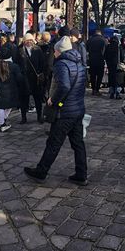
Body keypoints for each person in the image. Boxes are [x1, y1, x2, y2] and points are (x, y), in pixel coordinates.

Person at [24, 36, 88, 185]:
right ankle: (81, 173)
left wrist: (53, 100)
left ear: (59, 51)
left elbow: (64, 86)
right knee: (78, 143)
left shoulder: (61, 64)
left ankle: (41, 171)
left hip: (65, 111)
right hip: (78, 109)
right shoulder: (79, 63)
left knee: (53, 142)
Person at [0, 48, 26, 132]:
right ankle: (2, 123)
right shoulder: (14, 66)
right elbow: (19, 78)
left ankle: (2, 121)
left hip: (2, 89)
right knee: (10, 105)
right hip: (12, 89)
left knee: (2, 106)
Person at [19, 33, 46, 124]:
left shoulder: (37, 50)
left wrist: (41, 73)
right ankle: (23, 117)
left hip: (36, 78)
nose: (29, 42)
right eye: (27, 40)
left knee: (37, 98)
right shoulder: (20, 50)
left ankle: (39, 116)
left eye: (31, 40)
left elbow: (42, 63)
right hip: (24, 78)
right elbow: (17, 63)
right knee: (24, 99)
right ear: (24, 41)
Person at [86, 29, 107, 95]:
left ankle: (93, 89)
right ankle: (97, 89)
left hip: (92, 60)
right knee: (100, 75)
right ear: (100, 33)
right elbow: (106, 50)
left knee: (93, 75)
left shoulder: (90, 40)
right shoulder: (104, 40)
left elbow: (86, 49)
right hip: (100, 60)